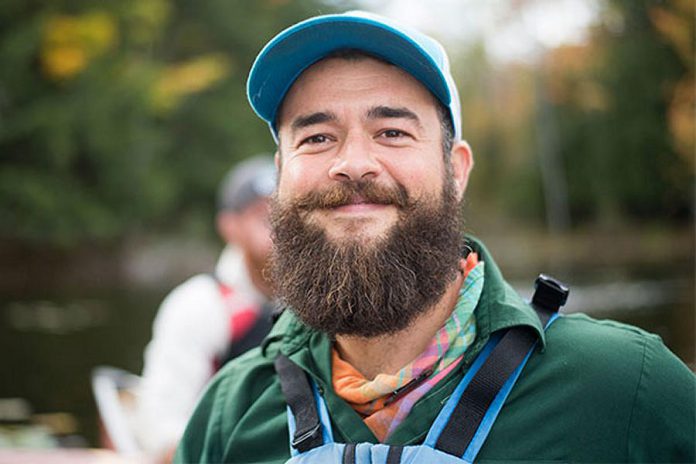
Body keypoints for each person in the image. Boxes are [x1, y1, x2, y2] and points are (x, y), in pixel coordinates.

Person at [175, 11, 695, 464]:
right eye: (316, 138)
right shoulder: (229, 412)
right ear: (281, 173)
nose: (353, 163)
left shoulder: (626, 388)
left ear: (456, 169)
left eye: (393, 132)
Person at [136, 155, 276, 460]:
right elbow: (163, 432)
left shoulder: (320, 302)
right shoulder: (198, 305)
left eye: (283, 212)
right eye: (261, 215)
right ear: (229, 227)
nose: (277, 225)